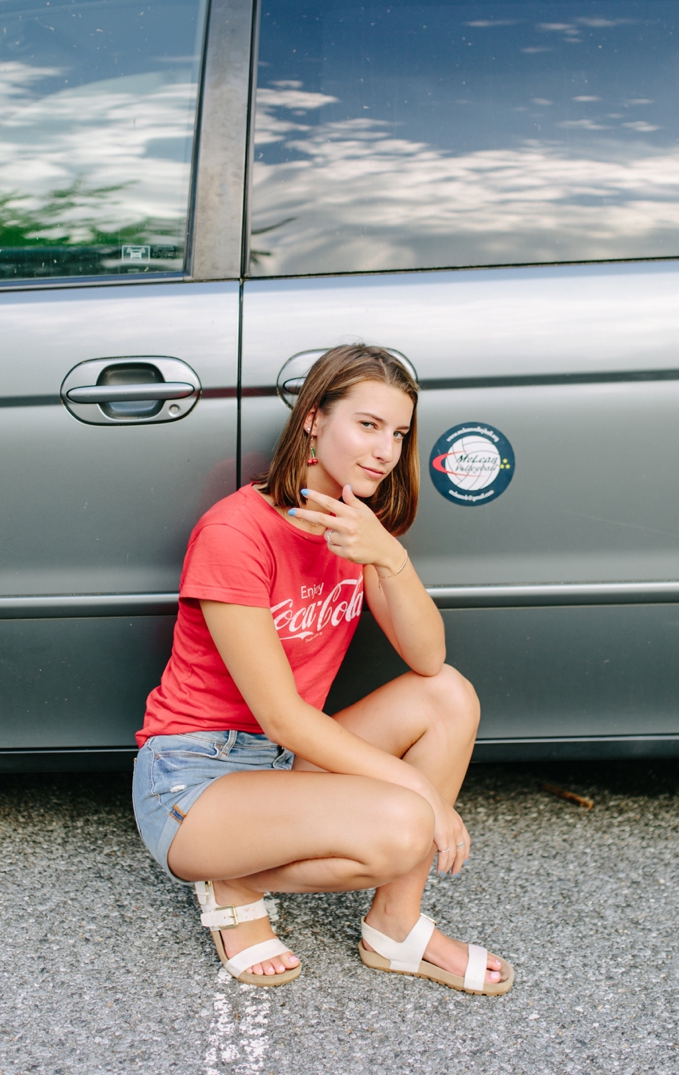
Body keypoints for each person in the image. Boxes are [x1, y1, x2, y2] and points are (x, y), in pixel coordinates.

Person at [131, 344, 512, 995]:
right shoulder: (235, 532)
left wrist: (388, 555)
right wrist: (419, 795)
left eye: (398, 432)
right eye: (367, 425)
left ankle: (396, 926)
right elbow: (281, 712)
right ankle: (230, 878)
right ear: (313, 419)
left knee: (447, 696)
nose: (386, 450)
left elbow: (428, 659)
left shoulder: (357, 528)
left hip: (282, 759)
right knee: (404, 829)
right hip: (196, 779)